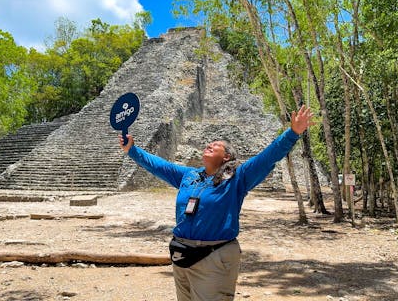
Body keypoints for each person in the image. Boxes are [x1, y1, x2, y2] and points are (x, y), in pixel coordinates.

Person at [119, 105, 314, 301]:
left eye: (216, 145)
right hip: (181, 254)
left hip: (214, 256)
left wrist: (293, 133)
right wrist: (132, 150)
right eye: (208, 144)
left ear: (227, 156)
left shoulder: (238, 177)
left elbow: (268, 156)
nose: (209, 145)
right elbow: (158, 166)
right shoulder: (189, 176)